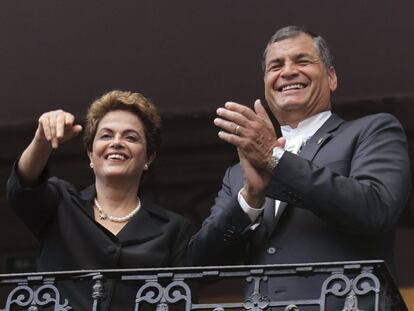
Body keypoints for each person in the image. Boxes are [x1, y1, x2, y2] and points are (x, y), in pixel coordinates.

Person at [189, 26, 411, 307]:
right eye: (276, 66)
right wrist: (249, 201)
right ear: (267, 83)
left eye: (302, 61)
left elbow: (375, 208)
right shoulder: (239, 174)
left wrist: (276, 160)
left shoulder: (373, 130)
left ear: (331, 78)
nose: (288, 71)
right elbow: (201, 263)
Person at [7, 90, 193, 310]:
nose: (117, 143)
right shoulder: (61, 203)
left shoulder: (174, 229)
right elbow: (23, 188)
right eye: (106, 135)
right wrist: (41, 141)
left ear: (148, 157)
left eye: (130, 137)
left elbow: (181, 301)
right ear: (90, 154)